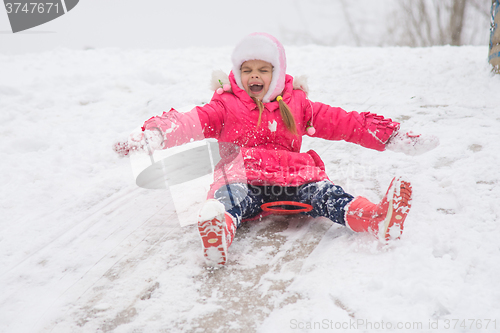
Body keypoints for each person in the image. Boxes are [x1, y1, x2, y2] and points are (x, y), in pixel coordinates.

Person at [114, 33, 439, 267]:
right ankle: (219, 230)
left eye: (263, 69)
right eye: (247, 70)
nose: (254, 75)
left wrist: (391, 136)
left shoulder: (298, 104)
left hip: (295, 177)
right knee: (230, 196)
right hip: (243, 174)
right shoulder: (224, 106)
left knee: (326, 194)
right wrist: (154, 135)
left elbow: (344, 122)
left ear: (277, 73)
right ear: (239, 74)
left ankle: (373, 218)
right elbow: (188, 121)